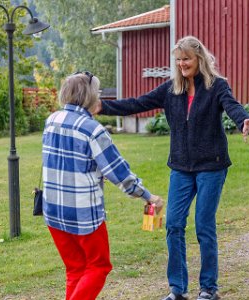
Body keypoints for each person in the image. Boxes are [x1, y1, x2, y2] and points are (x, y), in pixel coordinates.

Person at [95, 35, 249, 300]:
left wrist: (244, 121)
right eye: (178, 60)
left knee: (204, 224)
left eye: (186, 59)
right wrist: (103, 106)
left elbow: (232, 106)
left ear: (199, 59)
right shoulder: (170, 89)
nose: (182, 64)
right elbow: (137, 103)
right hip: (180, 166)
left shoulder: (217, 86)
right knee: (173, 224)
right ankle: (177, 290)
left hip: (211, 166)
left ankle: (208, 288)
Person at [42, 71, 163, 300]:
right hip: (83, 213)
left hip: (54, 211)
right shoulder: (92, 130)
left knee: (76, 268)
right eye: (97, 92)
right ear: (88, 96)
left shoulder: (52, 120)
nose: (99, 96)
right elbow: (120, 174)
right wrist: (148, 196)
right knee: (99, 267)